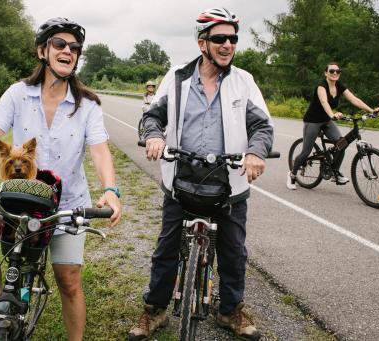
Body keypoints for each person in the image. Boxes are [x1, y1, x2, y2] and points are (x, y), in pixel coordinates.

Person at [0, 17, 121, 341]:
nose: (68, 51)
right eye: (60, 44)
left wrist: (111, 190)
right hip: (19, 200)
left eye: (74, 47)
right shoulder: (18, 94)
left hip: (67, 205)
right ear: (42, 51)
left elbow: (100, 152)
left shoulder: (87, 105)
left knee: (70, 281)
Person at [128, 7, 273, 341]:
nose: (228, 45)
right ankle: (155, 310)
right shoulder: (177, 77)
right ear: (202, 43)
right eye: (220, 38)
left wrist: (255, 152)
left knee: (234, 253)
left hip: (230, 184)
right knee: (165, 250)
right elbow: (152, 115)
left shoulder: (243, 81)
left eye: (233, 39)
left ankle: (230, 311)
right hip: (181, 181)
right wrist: (153, 135)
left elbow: (262, 126)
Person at [287, 62, 379, 190]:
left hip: (326, 120)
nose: (335, 73)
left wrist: (371, 111)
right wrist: (332, 114)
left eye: (338, 71)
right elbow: (324, 102)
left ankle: (334, 172)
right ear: (326, 73)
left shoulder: (340, 86)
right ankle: (292, 174)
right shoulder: (321, 86)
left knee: (341, 144)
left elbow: (354, 99)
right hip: (313, 121)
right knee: (306, 152)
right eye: (332, 71)